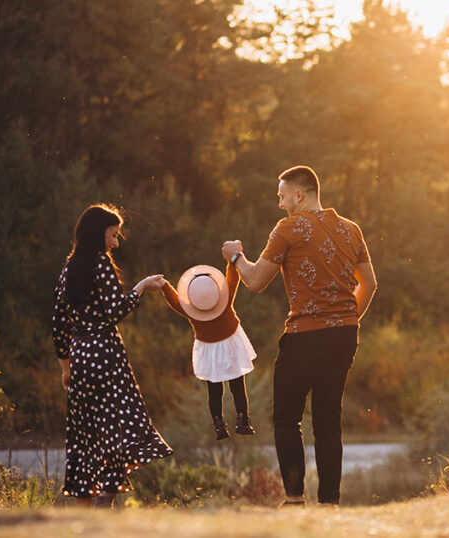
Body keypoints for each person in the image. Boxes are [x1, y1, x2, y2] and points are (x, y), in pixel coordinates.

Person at [221, 165, 377, 507]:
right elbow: (371, 283)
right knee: (327, 419)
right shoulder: (351, 229)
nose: (280, 204)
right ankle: (329, 504)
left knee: (286, 418)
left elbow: (256, 281)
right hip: (345, 335)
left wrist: (235, 255)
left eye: (281, 196)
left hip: (305, 335)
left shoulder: (288, 228)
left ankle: (294, 500)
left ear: (299, 195)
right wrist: (346, 319)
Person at [51, 204, 173, 508]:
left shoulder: (69, 267)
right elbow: (116, 310)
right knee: (120, 426)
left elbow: (58, 322)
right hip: (105, 354)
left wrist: (66, 368)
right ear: (98, 233)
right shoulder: (100, 262)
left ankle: (84, 513)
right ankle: (105, 498)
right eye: (113, 235)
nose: (115, 243)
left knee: (86, 434)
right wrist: (143, 285)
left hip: (80, 357)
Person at [160, 262, 257, 440]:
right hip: (230, 345)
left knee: (214, 390)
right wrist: (231, 262)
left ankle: (219, 425)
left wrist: (165, 286)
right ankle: (243, 422)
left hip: (209, 348)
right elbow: (232, 280)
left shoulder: (192, 310)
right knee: (237, 386)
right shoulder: (225, 300)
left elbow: (175, 302)